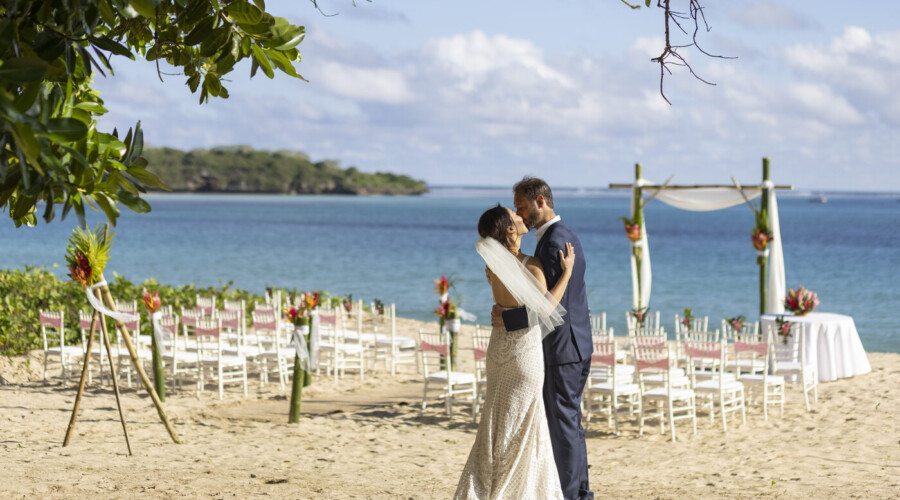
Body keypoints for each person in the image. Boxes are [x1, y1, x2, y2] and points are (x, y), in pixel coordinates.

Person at [454, 204, 575, 500]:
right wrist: (566, 274)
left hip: (497, 350)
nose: (522, 218)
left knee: (496, 423)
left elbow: (509, 306)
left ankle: (486, 488)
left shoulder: (492, 264)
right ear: (510, 229)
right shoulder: (530, 264)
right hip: (523, 352)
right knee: (524, 424)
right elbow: (546, 308)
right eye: (516, 216)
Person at [494, 177, 594, 500]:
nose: (519, 216)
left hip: (562, 349)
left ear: (540, 202)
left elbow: (548, 307)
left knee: (563, 426)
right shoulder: (565, 235)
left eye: (522, 207)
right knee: (571, 424)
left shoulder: (552, 243)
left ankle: (568, 495)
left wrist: (506, 319)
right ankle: (580, 493)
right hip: (576, 345)